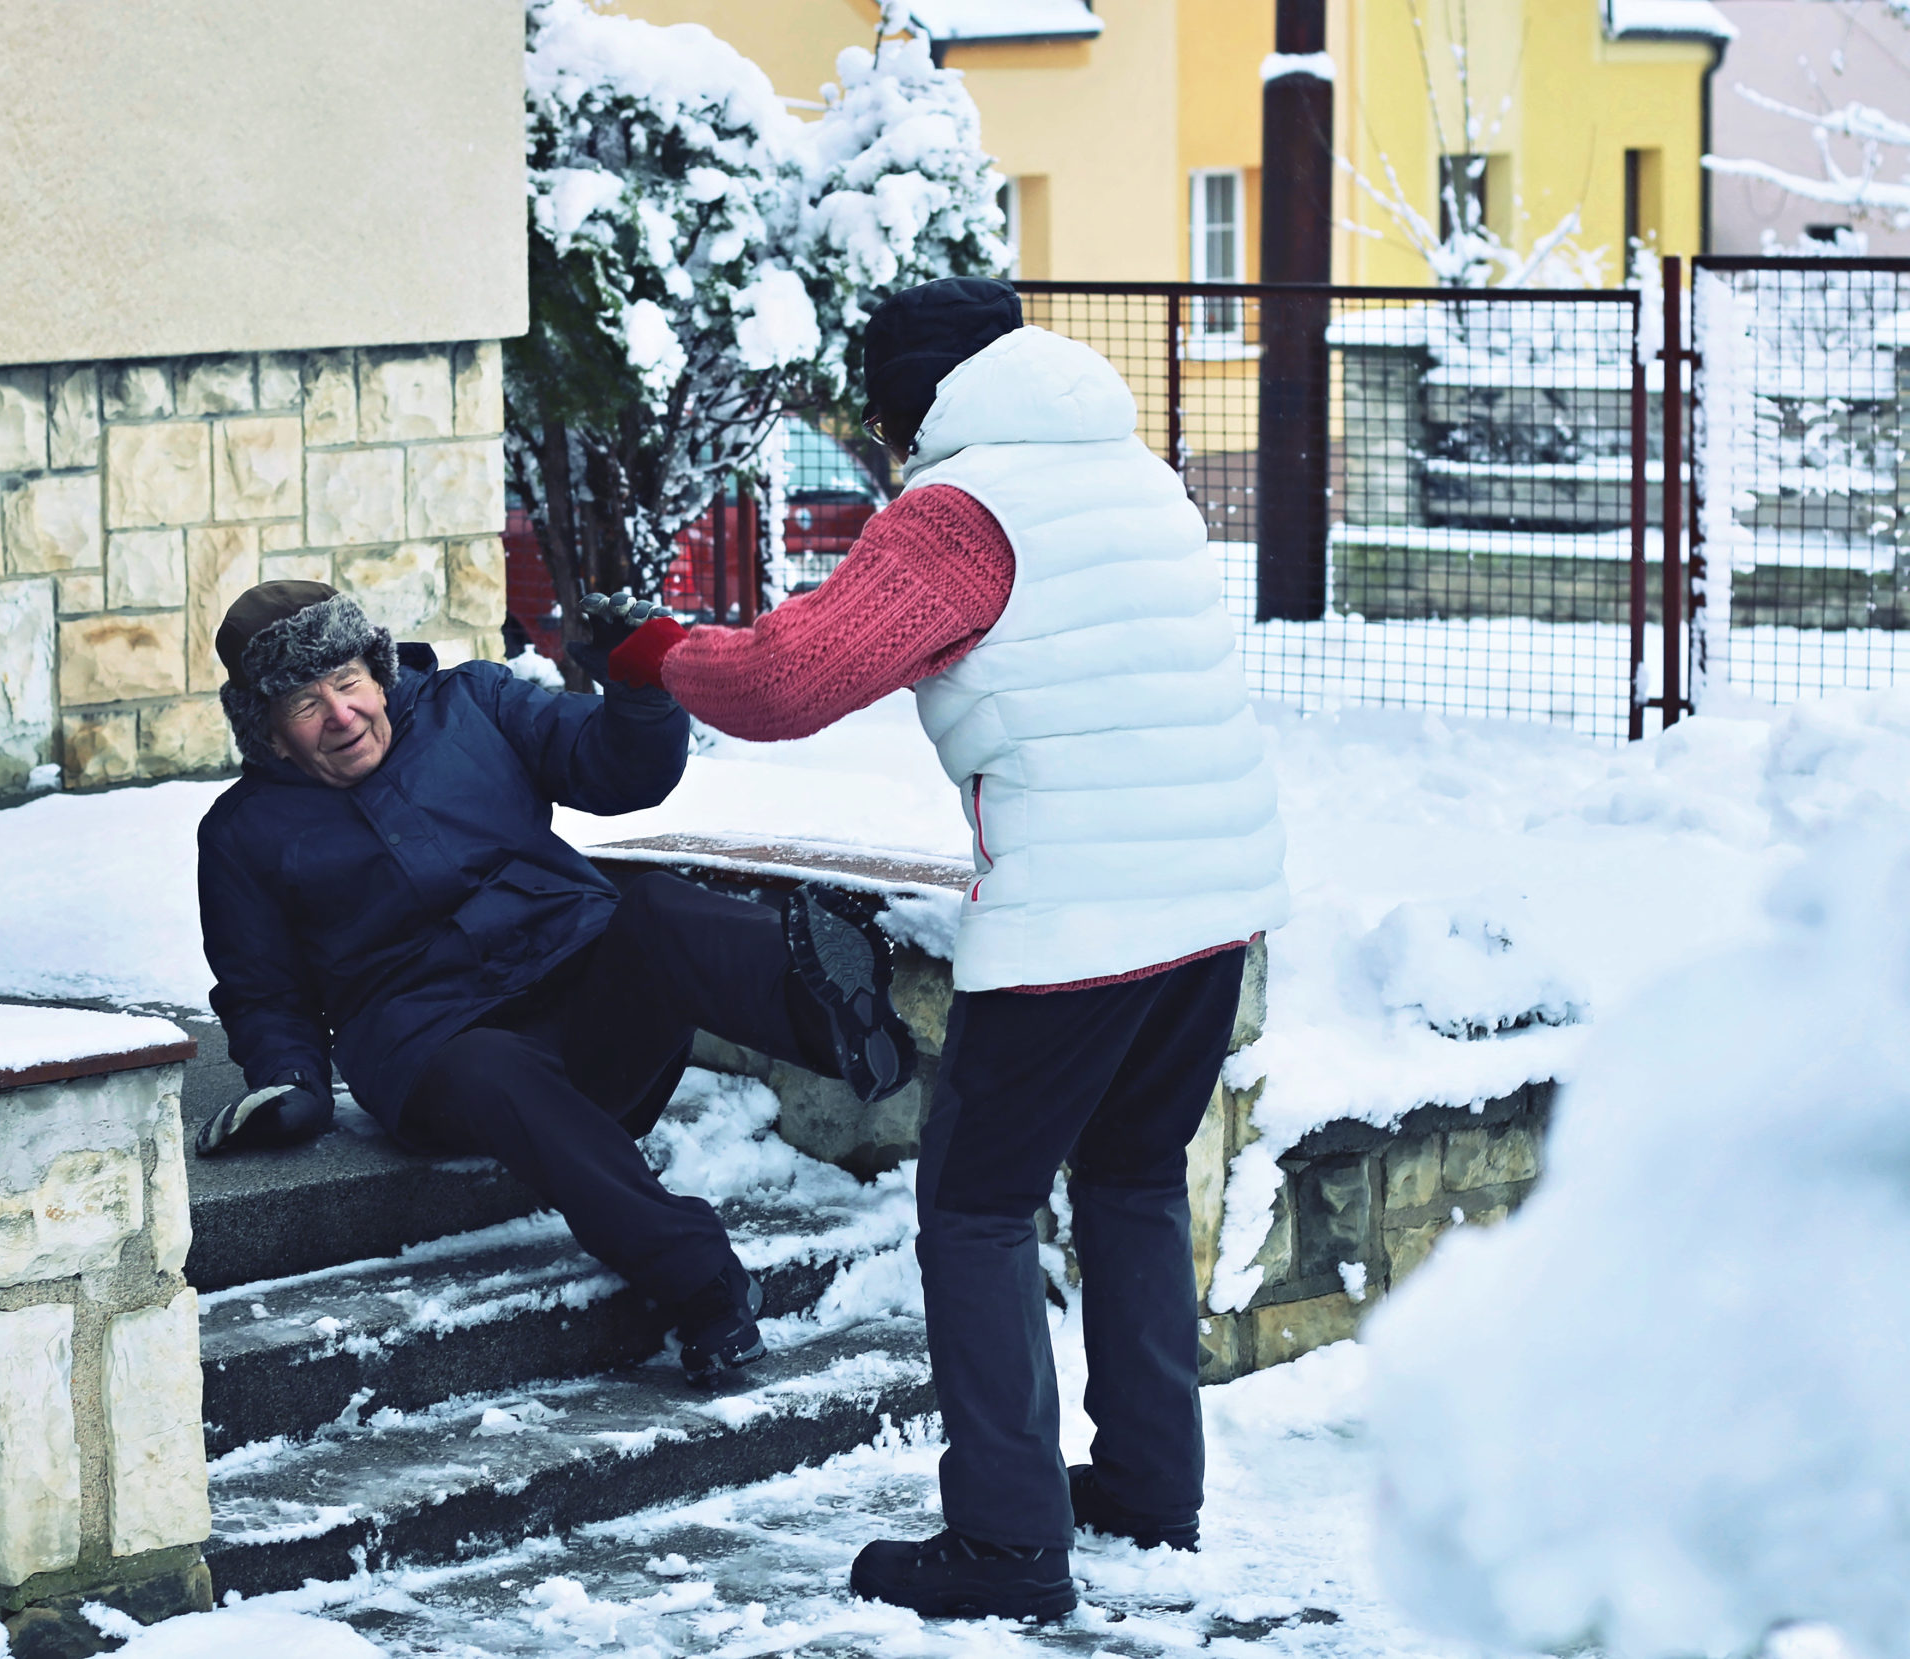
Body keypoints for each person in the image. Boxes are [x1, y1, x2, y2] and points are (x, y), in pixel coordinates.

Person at [583, 276, 1289, 1617]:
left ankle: (1007, 1542)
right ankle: (1148, 1487)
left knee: (975, 1202)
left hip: (1083, 911)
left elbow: (790, 681)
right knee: (1133, 1175)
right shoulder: (1131, 470)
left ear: (911, 401)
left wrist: (657, 648)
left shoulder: (959, 513)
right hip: (1215, 899)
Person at [192, 579, 919, 1386]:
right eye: (303, 700)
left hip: (584, 998)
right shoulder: (242, 835)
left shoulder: (474, 701)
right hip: (440, 1052)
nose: (341, 713)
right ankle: (702, 1284)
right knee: (494, 1068)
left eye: (349, 679)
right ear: (267, 727)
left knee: (655, 910)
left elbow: (613, 771)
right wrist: (290, 1081)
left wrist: (638, 693)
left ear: (378, 666)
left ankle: (833, 1022)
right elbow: (265, 993)